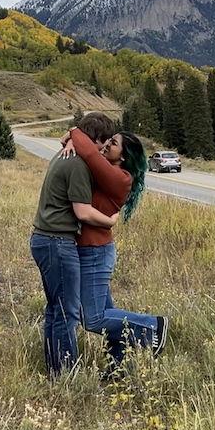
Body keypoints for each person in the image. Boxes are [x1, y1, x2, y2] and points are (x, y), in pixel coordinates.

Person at [59, 124, 169, 374]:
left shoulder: (119, 177)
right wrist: (68, 141)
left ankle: (153, 326)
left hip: (96, 253)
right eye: (109, 140)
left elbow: (87, 151)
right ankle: (117, 365)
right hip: (92, 250)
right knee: (108, 314)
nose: (107, 144)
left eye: (114, 143)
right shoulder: (108, 170)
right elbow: (79, 150)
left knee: (93, 319)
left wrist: (75, 131)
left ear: (124, 156)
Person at [29, 112, 119, 378]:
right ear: (96, 139)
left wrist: (70, 135)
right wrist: (110, 220)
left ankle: (55, 369)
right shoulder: (78, 162)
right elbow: (82, 212)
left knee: (56, 308)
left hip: (45, 238)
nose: (104, 150)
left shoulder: (66, 154)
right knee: (67, 311)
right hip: (58, 241)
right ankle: (66, 373)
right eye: (103, 144)